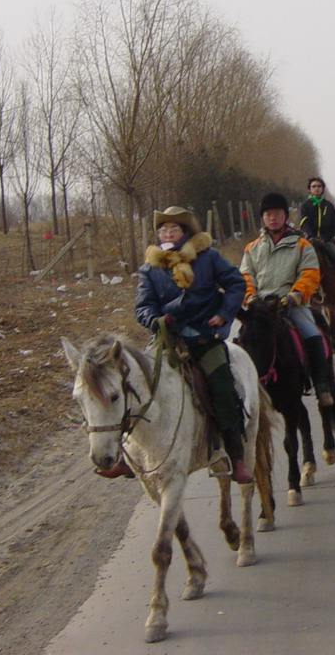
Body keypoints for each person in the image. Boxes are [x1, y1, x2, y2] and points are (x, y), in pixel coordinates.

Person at [116, 205, 253, 483]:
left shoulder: (208, 257)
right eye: (163, 228)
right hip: (168, 340)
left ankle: (235, 456)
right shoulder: (149, 268)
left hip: (204, 337)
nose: (167, 232)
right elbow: (142, 307)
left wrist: (223, 314)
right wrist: (156, 320)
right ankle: (126, 455)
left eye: (174, 228)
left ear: (185, 232)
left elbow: (236, 283)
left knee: (224, 388)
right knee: (134, 384)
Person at [241, 192, 334, 407]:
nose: (272, 218)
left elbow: (310, 273)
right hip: (260, 305)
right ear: (262, 218)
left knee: (312, 333)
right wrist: (250, 297)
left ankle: (322, 386)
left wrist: (295, 296)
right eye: (267, 214)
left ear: (285, 216)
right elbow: (246, 275)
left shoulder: (302, 245)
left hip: (291, 303)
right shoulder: (252, 248)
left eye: (277, 214)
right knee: (242, 339)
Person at [298, 177, 335, 293]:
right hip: (309, 241)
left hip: (326, 240)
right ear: (309, 190)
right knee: (295, 259)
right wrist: (310, 236)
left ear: (323, 189)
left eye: (319, 186)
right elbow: (304, 223)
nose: (317, 188)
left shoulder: (329, 206)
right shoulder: (305, 206)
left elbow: (334, 222)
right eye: (314, 186)